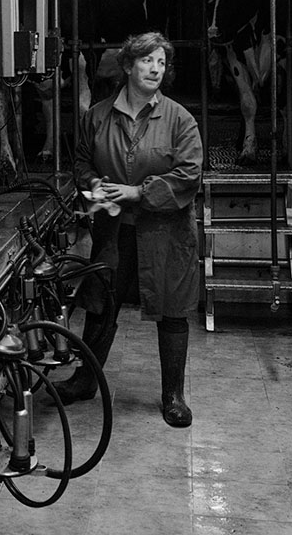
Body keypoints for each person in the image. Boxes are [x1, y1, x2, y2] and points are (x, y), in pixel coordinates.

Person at [54, 31, 203, 427]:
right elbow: (83, 162)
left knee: (172, 310)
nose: (156, 69)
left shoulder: (178, 118)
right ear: (127, 66)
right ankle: (86, 380)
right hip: (114, 230)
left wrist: (139, 191)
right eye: (147, 61)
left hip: (166, 232)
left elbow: (189, 175)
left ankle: (173, 395)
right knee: (101, 304)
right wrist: (95, 185)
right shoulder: (99, 115)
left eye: (162, 63)